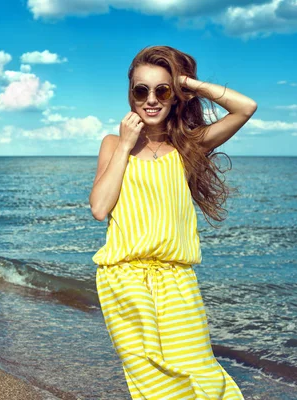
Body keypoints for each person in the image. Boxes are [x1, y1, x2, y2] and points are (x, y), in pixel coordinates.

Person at [89, 45, 257, 399]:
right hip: (124, 278)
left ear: (174, 96)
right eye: (141, 90)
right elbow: (100, 208)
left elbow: (246, 108)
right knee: (152, 379)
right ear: (131, 96)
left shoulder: (189, 146)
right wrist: (125, 146)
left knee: (200, 371)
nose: (151, 99)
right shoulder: (113, 144)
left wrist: (189, 83)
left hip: (178, 281)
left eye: (161, 90)